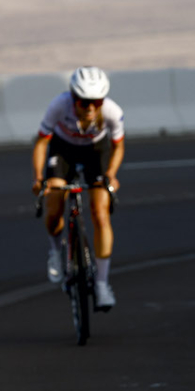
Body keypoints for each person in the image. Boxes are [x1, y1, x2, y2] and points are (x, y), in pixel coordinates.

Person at [32, 66, 125, 309]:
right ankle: (55, 251)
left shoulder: (112, 111)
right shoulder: (58, 106)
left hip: (96, 151)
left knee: (100, 213)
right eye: (84, 102)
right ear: (73, 98)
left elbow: (118, 146)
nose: (91, 108)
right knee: (54, 205)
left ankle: (102, 284)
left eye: (97, 102)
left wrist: (111, 175)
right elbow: (41, 143)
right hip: (63, 150)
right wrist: (39, 178)